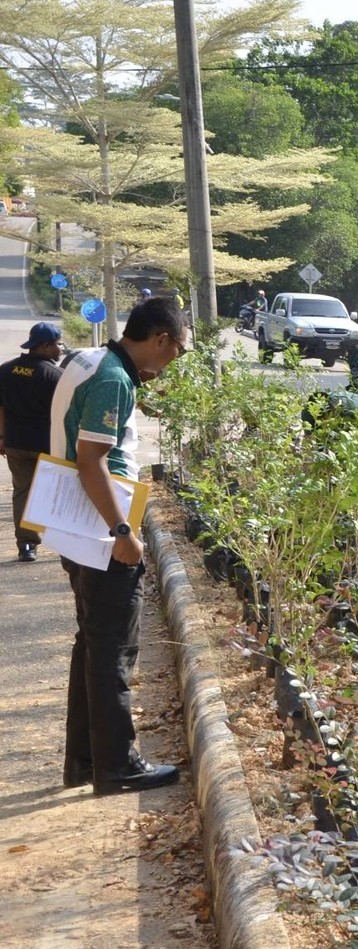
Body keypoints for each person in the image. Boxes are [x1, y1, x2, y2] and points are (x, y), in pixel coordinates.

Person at [48, 296, 188, 793]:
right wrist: (122, 533)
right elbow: (93, 461)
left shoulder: (88, 359)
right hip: (99, 529)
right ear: (160, 340)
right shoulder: (112, 379)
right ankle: (117, 766)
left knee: (92, 641)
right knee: (114, 648)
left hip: (74, 524)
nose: (171, 363)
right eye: (176, 352)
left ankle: (85, 760)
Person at [2, 322, 64, 561]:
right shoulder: (55, 376)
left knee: (23, 492)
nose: (61, 349)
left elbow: (1, 407)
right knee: (56, 492)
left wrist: (2, 437)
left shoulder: (5, 370)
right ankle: (65, 543)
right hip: (47, 446)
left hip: (15, 443)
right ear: (45, 346)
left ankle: (27, 546)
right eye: (58, 344)